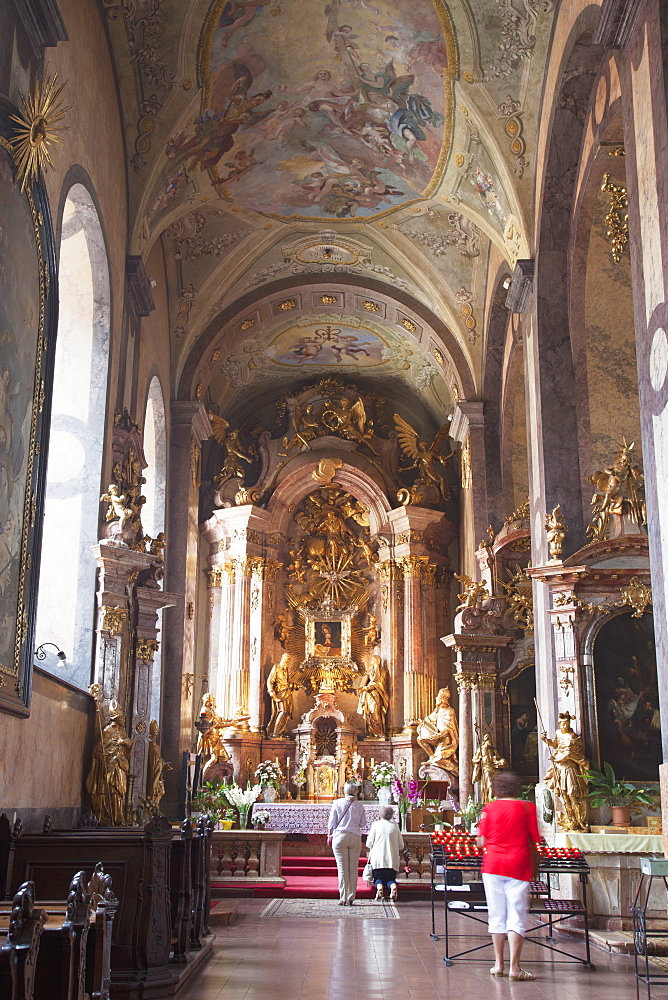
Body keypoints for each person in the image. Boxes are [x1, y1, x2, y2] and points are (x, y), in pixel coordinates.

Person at [476, 771, 540, 981]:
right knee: (517, 914)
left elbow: (481, 841)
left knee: (496, 914)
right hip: (519, 864)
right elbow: (535, 838)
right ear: (516, 788)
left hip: (493, 864)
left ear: (496, 788)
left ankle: (498, 964)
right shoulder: (526, 807)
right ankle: (515, 968)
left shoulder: (489, 808)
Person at [327, 781, 366, 906]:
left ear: (344, 790)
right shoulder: (360, 805)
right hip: (355, 836)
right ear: (356, 791)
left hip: (340, 836)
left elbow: (332, 822)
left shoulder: (337, 803)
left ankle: (343, 897)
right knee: (353, 868)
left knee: (342, 869)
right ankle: (351, 897)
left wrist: (329, 835)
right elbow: (363, 823)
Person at [365, 804, 404, 901]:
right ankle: (393, 886)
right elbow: (401, 845)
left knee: (378, 878)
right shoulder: (395, 826)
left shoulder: (375, 825)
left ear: (380, 815)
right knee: (390, 878)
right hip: (392, 859)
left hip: (378, 859)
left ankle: (379, 888)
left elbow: (369, 843)